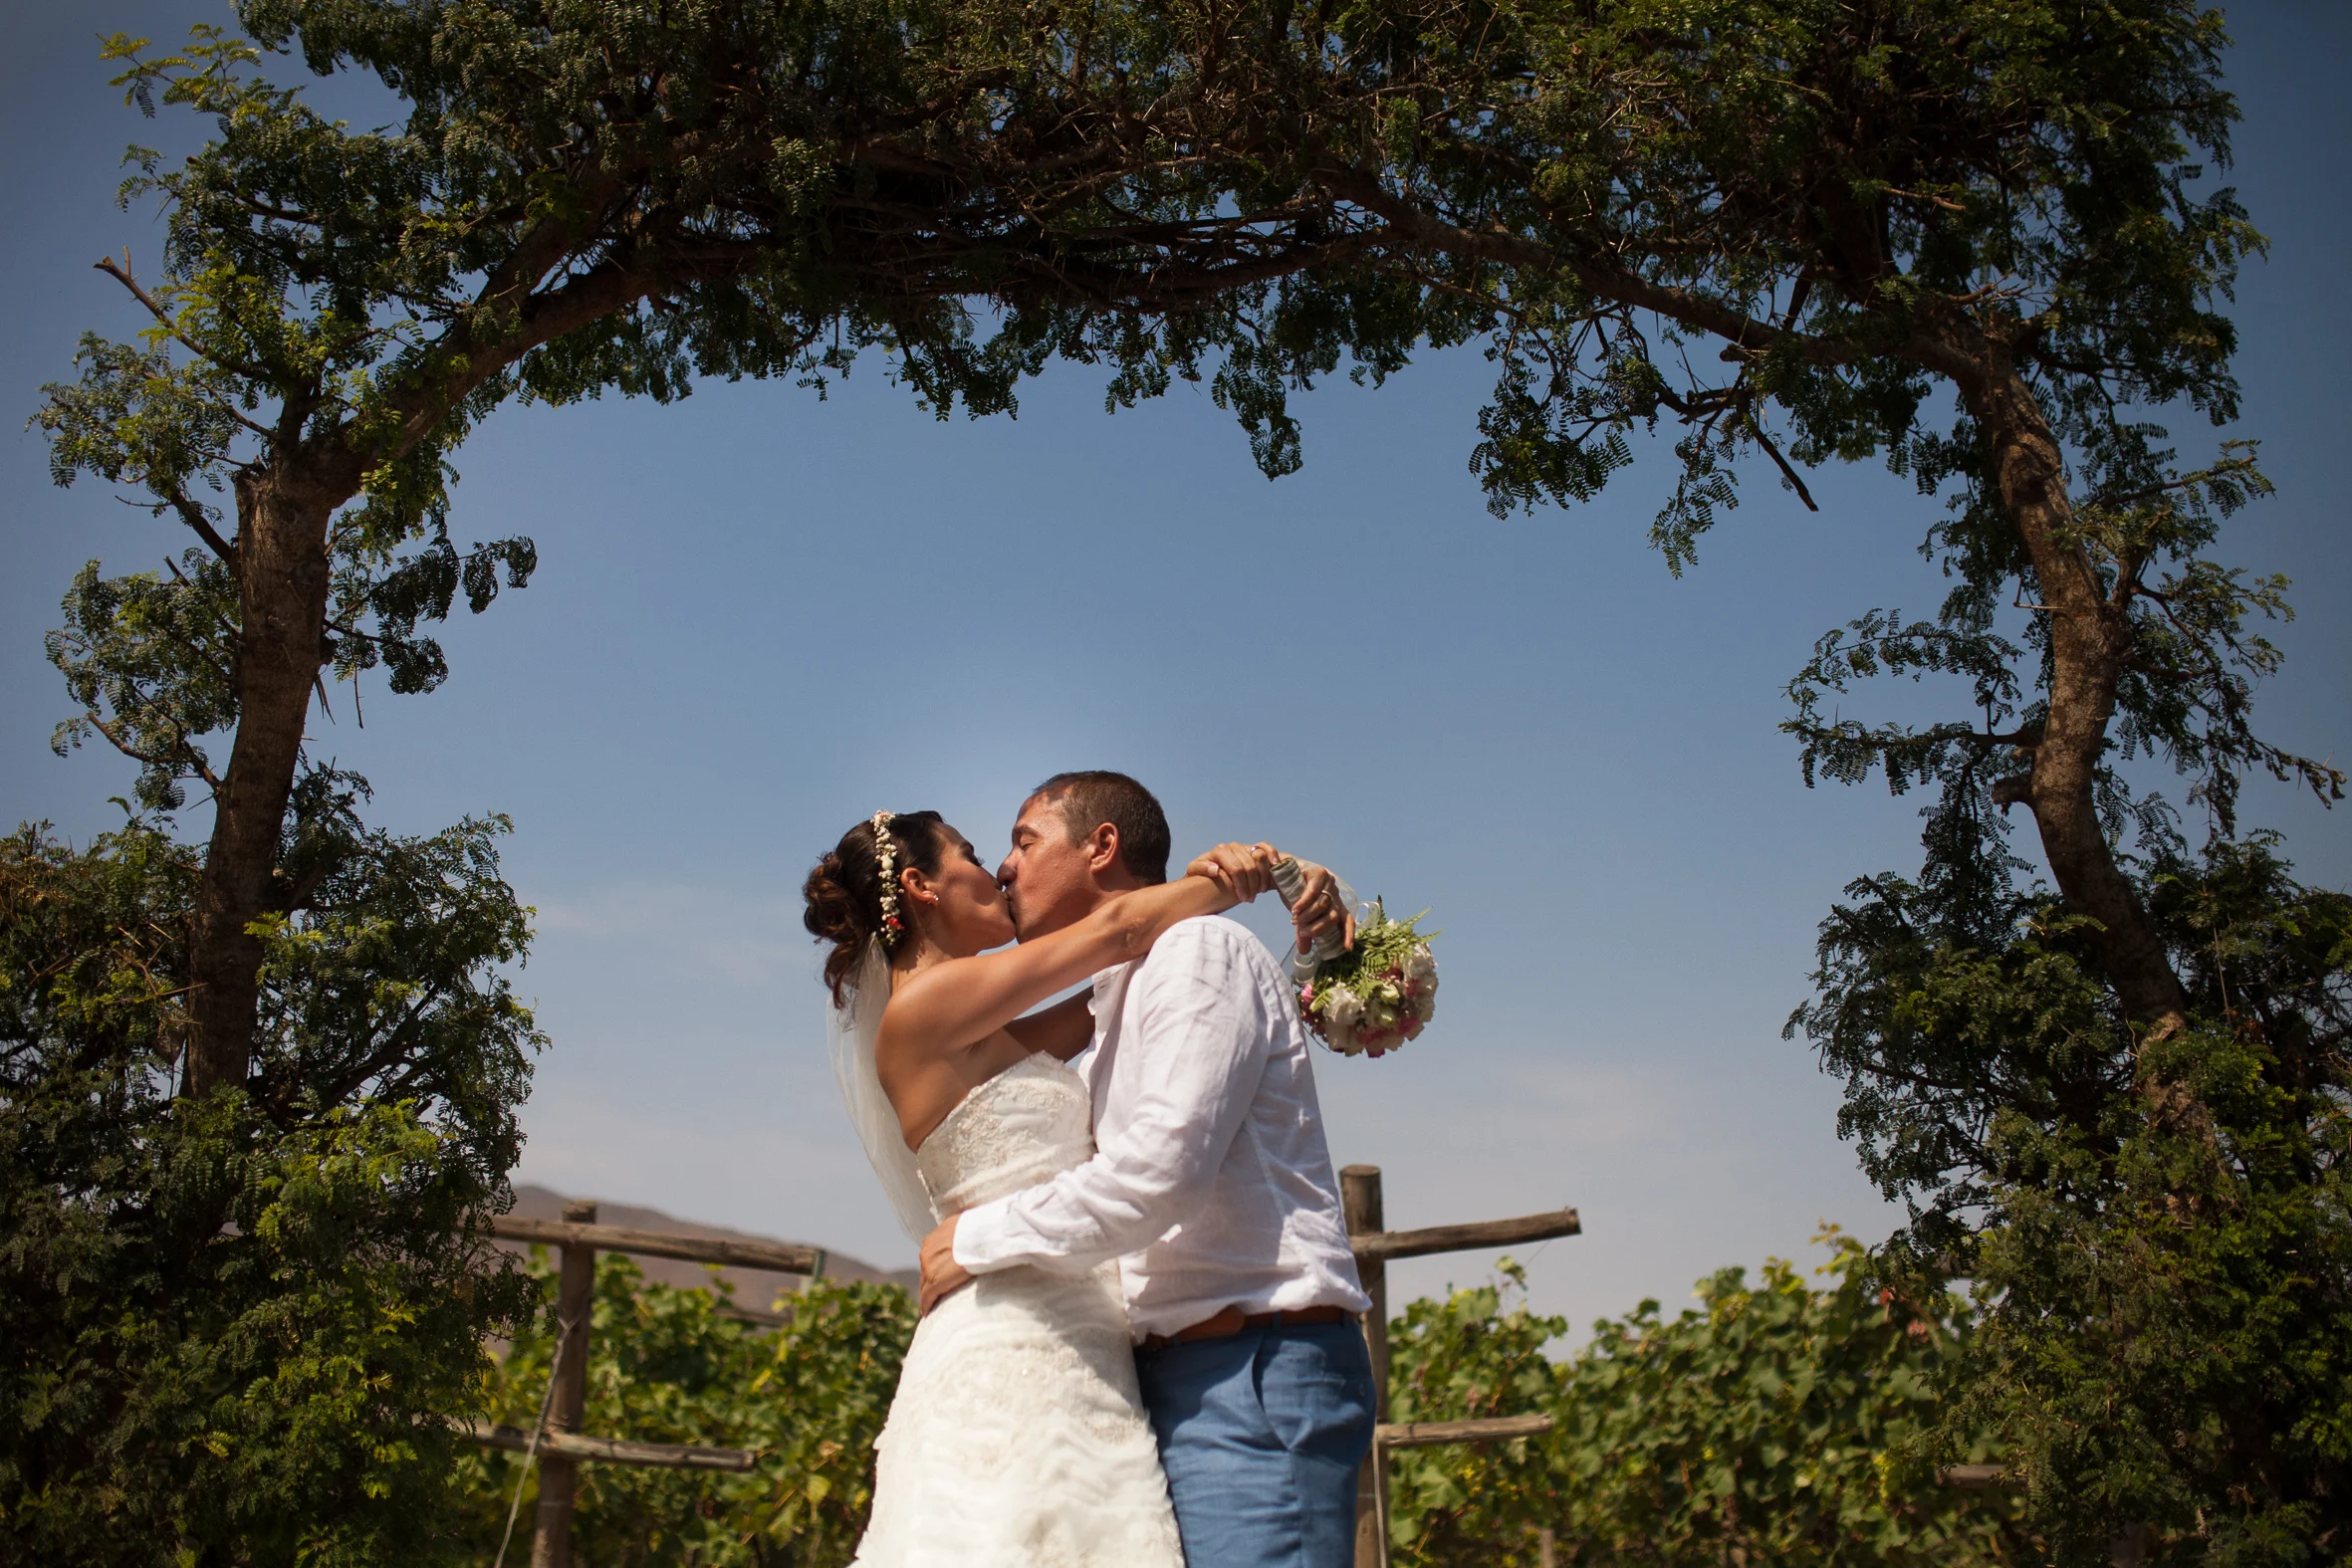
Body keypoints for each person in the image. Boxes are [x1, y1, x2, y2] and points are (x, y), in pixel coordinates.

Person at [801, 798, 1351, 1567]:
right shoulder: (924, 1006)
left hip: (1090, 1344)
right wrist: (1252, 873)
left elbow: (1111, 991)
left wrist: (1308, 910)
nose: (995, 865)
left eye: (1018, 843)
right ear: (923, 887)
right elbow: (1114, 934)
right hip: (1010, 1337)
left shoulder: (991, 1030)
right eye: (969, 851)